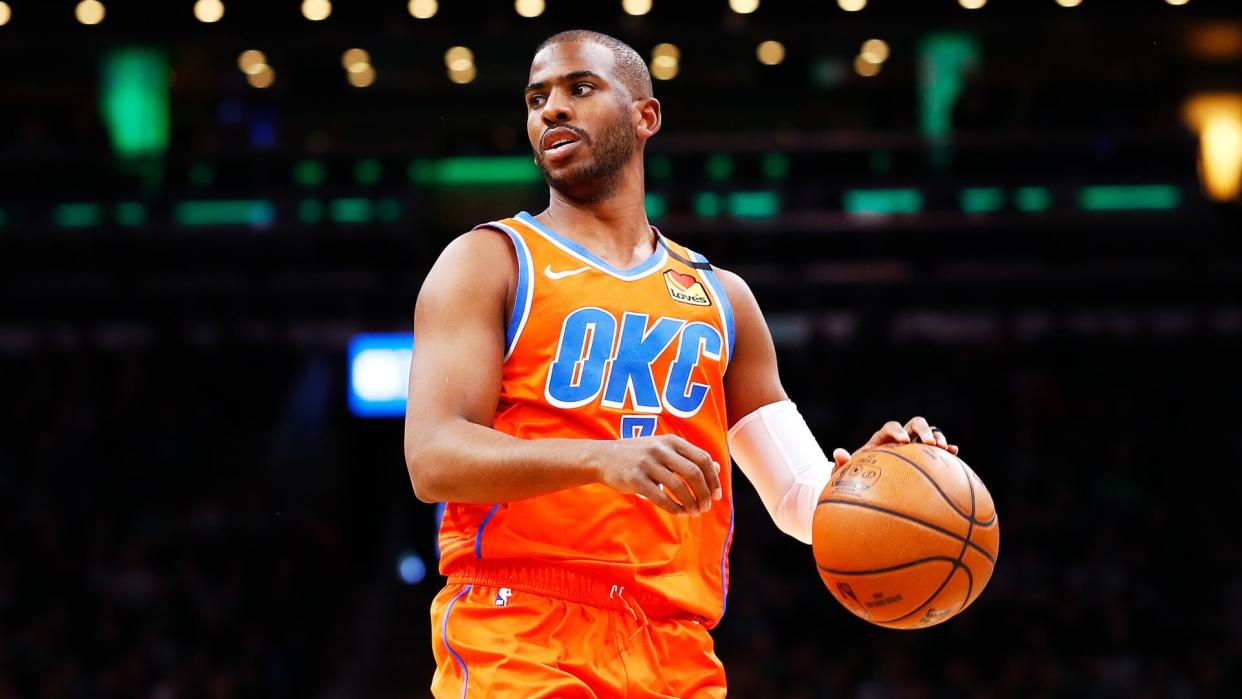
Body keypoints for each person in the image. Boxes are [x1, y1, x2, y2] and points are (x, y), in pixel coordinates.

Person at [403, 29, 959, 698]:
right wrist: (601, 457)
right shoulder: (489, 260)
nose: (551, 109)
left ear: (646, 116)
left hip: (675, 650)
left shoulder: (722, 298)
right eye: (536, 97)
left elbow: (797, 497)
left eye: (580, 88)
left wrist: (875, 482)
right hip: (521, 633)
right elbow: (433, 458)